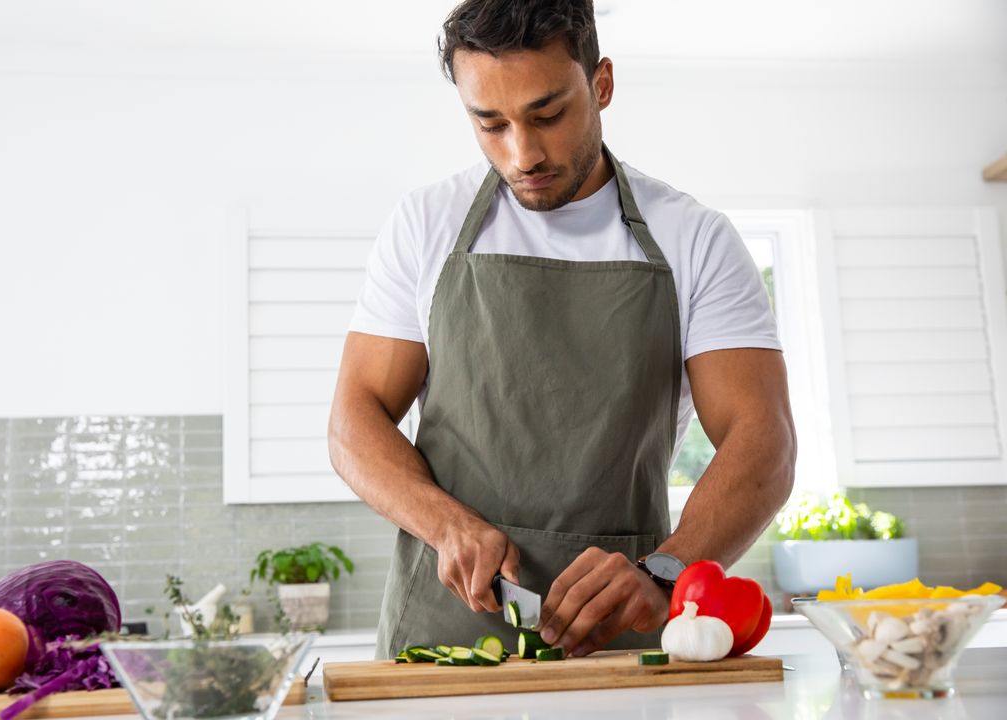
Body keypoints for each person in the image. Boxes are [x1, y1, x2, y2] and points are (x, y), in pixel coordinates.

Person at [328, 0, 796, 660]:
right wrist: (446, 524)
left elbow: (763, 439)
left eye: (547, 114)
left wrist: (666, 573)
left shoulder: (695, 238)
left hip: (621, 626)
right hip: (444, 629)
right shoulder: (425, 223)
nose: (523, 153)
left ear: (601, 84)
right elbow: (353, 419)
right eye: (490, 124)